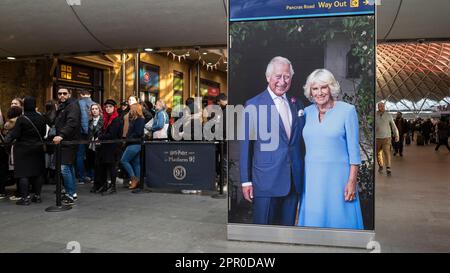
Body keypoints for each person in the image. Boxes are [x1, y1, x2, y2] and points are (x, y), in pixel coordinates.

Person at [240, 56, 305, 226]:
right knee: (263, 232)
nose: (282, 81)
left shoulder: (297, 104)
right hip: (265, 182)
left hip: (293, 182)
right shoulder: (253, 105)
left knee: (287, 232)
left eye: (287, 77)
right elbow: (246, 147)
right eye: (278, 76)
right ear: (268, 77)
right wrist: (246, 181)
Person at [297, 69, 363, 229]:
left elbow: (354, 151)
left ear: (331, 88)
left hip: (338, 179)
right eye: (315, 88)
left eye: (323, 87)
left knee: (341, 222)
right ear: (310, 91)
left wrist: (352, 181)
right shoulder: (306, 113)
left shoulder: (347, 111)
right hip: (311, 179)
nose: (319, 93)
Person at [5, 97, 47, 205]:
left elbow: (15, 134)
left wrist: (7, 139)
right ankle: (37, 196)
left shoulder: (22, 119)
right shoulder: (41, 118)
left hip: (23, 149)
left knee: (23, 174)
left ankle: (25, 198)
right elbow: (43, 134)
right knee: (38, 173)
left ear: (24, 106)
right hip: (37, 149)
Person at [53, 88, 81, 205]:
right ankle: (72, 193)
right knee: (68, 167)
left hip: (69, 141)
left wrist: (61, 135)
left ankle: (70, 194)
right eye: (60, 94)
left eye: (65, 93)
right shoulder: (63, 106)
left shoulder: (72, 105)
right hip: (66, 141)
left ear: (69, 94)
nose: (62, 95)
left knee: (64, 168)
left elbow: (72, 122)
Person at [97, 99, 122, 194]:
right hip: (106, 146)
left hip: (113, 147)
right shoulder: (106, 118)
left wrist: (100, 137)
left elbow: (112, 134)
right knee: (105, 166)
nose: (108, 108)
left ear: (114, 108)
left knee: (112, 167)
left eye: (110, 107)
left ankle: (113, 187)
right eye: (106, 107)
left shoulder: (116, 119)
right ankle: (106, 185)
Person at [120, 103, 145, 190]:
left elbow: (138, 132)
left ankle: (133, 178)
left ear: (135, 110)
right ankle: (138, 181)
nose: (130, 111)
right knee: (135, 163)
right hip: (134, 143)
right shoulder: (136, 119)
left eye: (131, 109)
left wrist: (128, 138)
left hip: (134, 143)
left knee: (124, 161)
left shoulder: (140, 120)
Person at [76, 90, 95, 184]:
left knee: (80, 155)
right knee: (91, 155)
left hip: (81, 134)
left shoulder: (78, 103)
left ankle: (82, 177)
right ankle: (92, 175)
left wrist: (85, 131)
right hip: (92, 134)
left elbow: (82, 119)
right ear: (90, 94)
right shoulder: (95, 103)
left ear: (81, 94)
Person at [375, 102, 398, 176]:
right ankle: (381, 165)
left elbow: (393, 126)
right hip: (377, 138)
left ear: (384, 107)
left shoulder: (388, 115)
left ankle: (388, 168)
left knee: (386, 152)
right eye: (380, 106)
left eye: (382, 106)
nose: (381, 107)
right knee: (378, 153)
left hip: (387, 138)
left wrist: (396, 135)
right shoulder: (374, 115)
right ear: (378, 107)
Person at [86, 103, 103, 190]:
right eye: (93, 109)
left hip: (101, 145)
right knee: (94, 165)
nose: (94, 110)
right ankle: (96, 184)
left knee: (99, 165)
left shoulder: (103, 120)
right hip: (92, 146)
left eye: (96, 108)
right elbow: (89, 133)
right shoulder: (90, 121)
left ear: (99, 110)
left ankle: (100, 184)